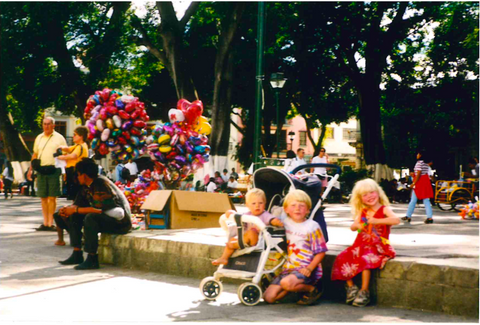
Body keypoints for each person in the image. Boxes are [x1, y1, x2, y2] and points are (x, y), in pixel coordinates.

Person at [331, 179, 399, 307]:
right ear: (360, 199)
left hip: (378, 246)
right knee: (341, 257)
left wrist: (376, 221)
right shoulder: (364, 212)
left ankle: (364, 290)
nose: (369, 197)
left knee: (365, 258)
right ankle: (351, 287)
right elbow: (353, 226)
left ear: (378, 193)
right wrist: (359, 225)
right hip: (360, 244)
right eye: (365, 195)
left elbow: (396, 220)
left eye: (371, 192)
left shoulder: (384, 210)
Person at [54, 158, 132, 270]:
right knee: (71, 216)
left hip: (120, 222)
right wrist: (67, 209)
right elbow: (78, 204)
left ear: (84, 175)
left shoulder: (101, 184)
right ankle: (77, 253)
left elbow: (98, 209)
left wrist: (75, 210)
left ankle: (92, 258)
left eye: (78, 174)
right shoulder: (86, 186)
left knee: (91, 218)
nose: (77, 177)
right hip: (103, 217)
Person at [263, 189, 327, 305]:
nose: (297, 208)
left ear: (308, 210)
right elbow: (264, 218)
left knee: (286, 283)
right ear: (286, 209)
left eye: (302, 206)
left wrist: (309, 268)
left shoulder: (312, 226)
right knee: (269, 298)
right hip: (288, 269)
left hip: (305, 268)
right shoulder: (284, 223)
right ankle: (291, 289)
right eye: (293, 205)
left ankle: (313, 289)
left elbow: (321, 252)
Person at [212, 188, 284, 266]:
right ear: (247, 205)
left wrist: (275, 221)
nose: (257, 206)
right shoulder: (247, 214)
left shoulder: (265, 215)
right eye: (253, 203)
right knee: (233, 238)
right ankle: (224, 258)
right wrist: (232, 212)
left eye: (260, 203)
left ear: (265, 204)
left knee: (251, 232)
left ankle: (233, 245)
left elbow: (270, 219)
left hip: (258, 240)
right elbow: (239, 217)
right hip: (245, 239)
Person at [28, 117, 67, 231]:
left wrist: (65, 171)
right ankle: (45, 222)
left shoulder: (59, 138)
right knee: (43, 197)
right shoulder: (39, 138)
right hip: (41, 170)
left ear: (53, 125)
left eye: (49, 124)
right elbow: (35, 154)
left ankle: (50, 222)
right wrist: (30, 170)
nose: (46, 126)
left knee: (52, 197)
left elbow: (65, 155)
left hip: (54, 169)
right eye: (44, 124)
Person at [54, 126, 89, 246]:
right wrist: (62, 148)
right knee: (73, 197)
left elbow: (73, 156)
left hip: (75, 174)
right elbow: (69, 149)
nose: (73, 136)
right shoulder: (77, 146)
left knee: (76, 198)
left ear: (81, 136)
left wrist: (61, 157)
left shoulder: (81, 146)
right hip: (72, 174)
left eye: (75, 134)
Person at [402, 151, 434, 224]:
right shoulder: (426, 164)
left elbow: (419, 174)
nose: (417, 155)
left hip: (420, 182)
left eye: (418, 154)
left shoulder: (419, 163)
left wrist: (413, 183)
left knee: (413, 200)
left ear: (420, 155)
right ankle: (429, 217)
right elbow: (422, 172)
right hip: (425, 182)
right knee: (426, 200)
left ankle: (408, 215)